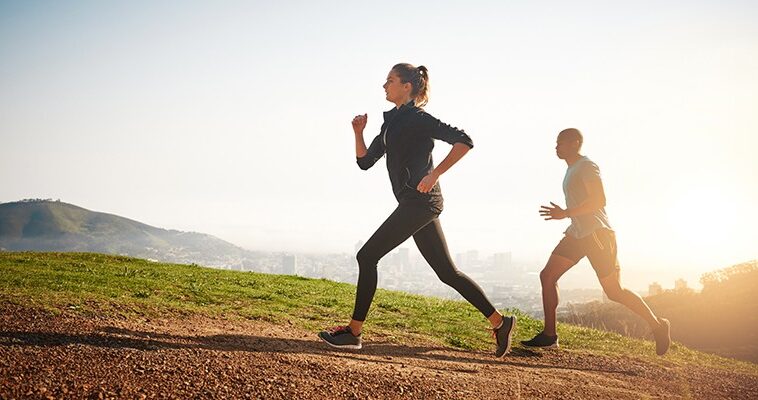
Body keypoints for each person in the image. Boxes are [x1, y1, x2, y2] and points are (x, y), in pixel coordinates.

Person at [318, 63, 516, 357]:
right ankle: (500, 322)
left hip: (420, 202)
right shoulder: (391, 124)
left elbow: (464, 142)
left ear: (407, 86)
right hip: (415, 204)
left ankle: (353, 332)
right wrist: (358, 132)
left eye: (390, 80)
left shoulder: (420, 119)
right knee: (447, 272)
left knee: (367, 255)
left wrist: (435, 174)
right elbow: (365, 161)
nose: (384, 86)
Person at [522, 128, 671, 355]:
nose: (555, 147)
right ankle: (550, 336)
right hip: (577, 233)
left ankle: (658, 325)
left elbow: (599, 200)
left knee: (614, 291)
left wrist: (566, 212)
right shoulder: (571, 169)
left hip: (597, 234)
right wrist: (569, 217)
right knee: (548, 276)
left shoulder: (587, 166)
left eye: (559, 142)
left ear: (574, 143)